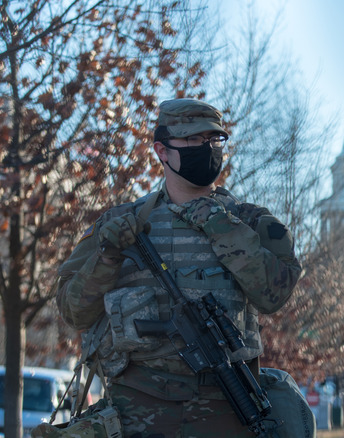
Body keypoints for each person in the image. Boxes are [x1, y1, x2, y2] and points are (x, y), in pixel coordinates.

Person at [56, 98, 303, 437]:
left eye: (213, 140)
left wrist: (222, 228)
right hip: (136, 417)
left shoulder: (250, 222)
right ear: (162, 150)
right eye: (192, 140)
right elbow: (73, 312)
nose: (205, 148)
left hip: (227, 410)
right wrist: (107, 256)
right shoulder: (119, 226)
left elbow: (273, 296)